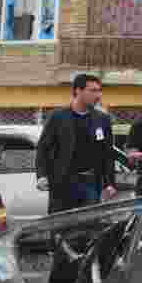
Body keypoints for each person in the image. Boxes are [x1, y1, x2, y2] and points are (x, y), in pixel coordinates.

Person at [35, 74, 117, 213]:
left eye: (99, 90)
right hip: (63, 183)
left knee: (89, 227)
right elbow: (43, 148)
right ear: (78, 91)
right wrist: (42, 176)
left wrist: (110, 183)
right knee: (62, 227)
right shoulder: (58, 117)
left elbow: (108, 153)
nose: (98, 95)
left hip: (91, 183)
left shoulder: (102, 119)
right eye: (93, 91)